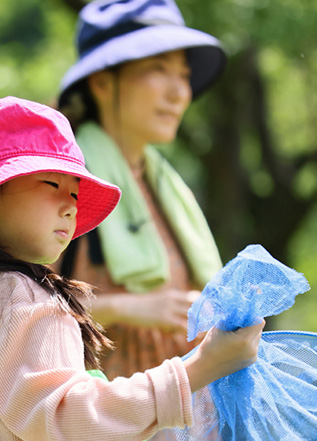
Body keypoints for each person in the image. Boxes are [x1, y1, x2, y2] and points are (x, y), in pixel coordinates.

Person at [0, 96, 264, 441]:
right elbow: (70, 425)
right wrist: (199, 367)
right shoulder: (20, 297)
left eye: (75, 191)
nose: (71, 205)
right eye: (51, 183)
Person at [56, 0, 227, 380]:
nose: (179, 92)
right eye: (158, 69)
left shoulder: (164, 182)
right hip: (107, 427)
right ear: (102, 81)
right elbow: (14, 310)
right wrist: (126, 307)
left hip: (191, 423)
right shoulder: (64, 182)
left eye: (183, 75)